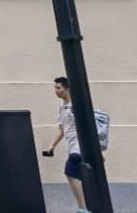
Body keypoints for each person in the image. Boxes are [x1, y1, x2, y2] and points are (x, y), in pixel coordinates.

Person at [41, 77, 89, 213]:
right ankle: (86, 206)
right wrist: (52, 146)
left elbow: (86, 127)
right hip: (73, 147)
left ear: (67, 89)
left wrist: (95, 150)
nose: (56, 91)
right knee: (80, 176)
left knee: (70, 172)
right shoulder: (62, 107)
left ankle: (83, 208)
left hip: (79, 147)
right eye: (55, 88)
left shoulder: (75, 107)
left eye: (58, 88)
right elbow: (61, 128)